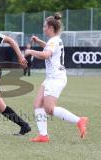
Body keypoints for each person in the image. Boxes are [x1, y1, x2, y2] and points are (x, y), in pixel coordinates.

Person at [25, 13, 88, 142]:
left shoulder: (53, 41)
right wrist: (39, 42)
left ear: (50, 28)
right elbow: (48, 49)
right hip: (51, 78)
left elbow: (46, 54)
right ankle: (43, 135)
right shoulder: (55, 40)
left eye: (44, 26)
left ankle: (79, 120)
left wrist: (30, 51)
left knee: (49, 108)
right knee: (38, 104)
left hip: (55, 78)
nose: (43, 29)